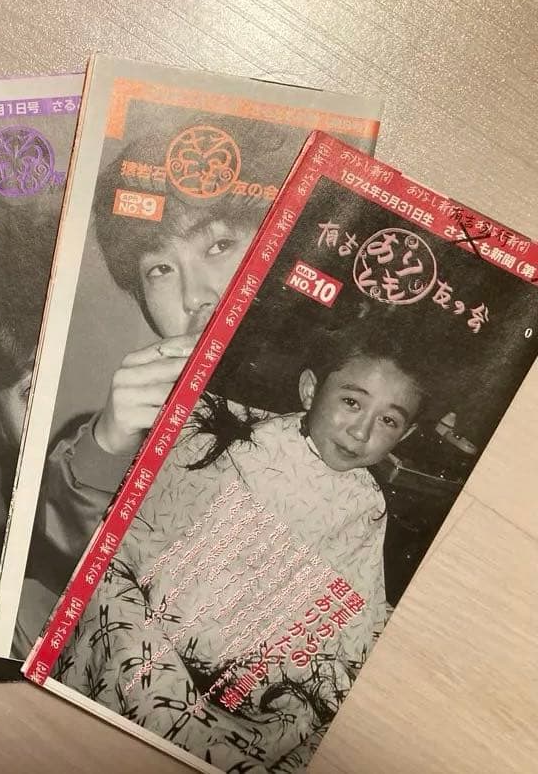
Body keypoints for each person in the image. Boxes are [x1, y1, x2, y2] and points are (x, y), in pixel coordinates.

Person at [54, 325, 430, 770]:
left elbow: (349, 607)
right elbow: (156, 536)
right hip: (158, 618)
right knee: (155, 695)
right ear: (310, 391)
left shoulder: (367, 504)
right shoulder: (241, 444)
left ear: (406, 435)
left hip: (255, 667)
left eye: (389, 421)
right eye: (351, 402)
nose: (361, 431)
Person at [15, 123, 286, 655]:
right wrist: (109, 445)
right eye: (160, 269)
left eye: (220, 245)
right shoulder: (135, 423)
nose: (195, 296)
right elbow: (74, 562)